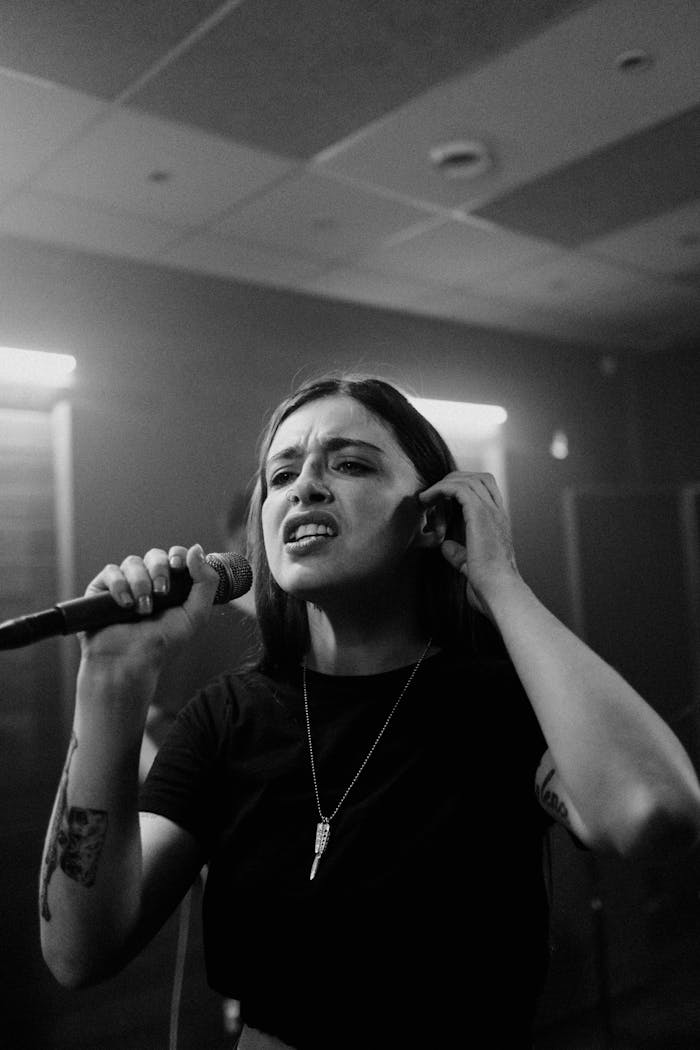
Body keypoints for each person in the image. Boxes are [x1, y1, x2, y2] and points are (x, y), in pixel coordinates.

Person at [39, 373, 700, 1049]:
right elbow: (78, 952)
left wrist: (498, 580)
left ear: (432, 516)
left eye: (350, 464)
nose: (305, 487)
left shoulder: (499, 703)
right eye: (282, 474)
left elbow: (654, 813)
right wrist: (110, 681)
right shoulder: (226, 719)